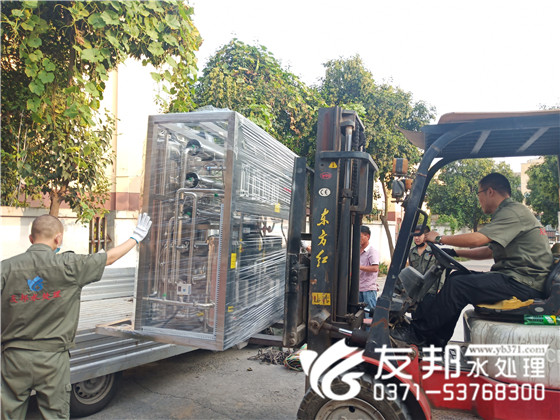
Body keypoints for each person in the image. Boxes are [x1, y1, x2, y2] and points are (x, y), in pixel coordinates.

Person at [1, 213, 152, 420]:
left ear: (31, 238)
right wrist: (135, 237)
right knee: (54, 414)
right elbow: (108, 258)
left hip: (13, 358)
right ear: (58, 238)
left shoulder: (6, 268)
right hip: (53, 359)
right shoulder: (70, 265)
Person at [392, 173, 553, 347]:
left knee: (458, 285)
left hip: (523, 284)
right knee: (456, 277)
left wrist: (440, 239)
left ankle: (416, 333)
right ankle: (435, 342)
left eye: (479, 194)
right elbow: (488, 251)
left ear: (490, 192)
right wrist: (454, 252)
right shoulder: (510, 213)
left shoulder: (512, 212)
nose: (479, 200)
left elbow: (478, 239)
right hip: (519, 279)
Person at [408, 225, 445, 319]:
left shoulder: (434, 251)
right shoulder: (411, 252)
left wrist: (440, 287)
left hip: (430, 290)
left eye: (419, 235)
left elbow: (442, 270)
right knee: (415, 317)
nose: (416, 238)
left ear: (426, 236)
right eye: (415, 235)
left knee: (428, 317)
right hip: (416, 292)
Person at [359, 225, 380, 315]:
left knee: (369, 315)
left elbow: (375, 268)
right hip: (358, 288)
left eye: (360, 236)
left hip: (368, 289)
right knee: (359, 316)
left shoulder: (372, 251)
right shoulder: (357, 250)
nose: (358, 239)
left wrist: (359, 267)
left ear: (367, 236)